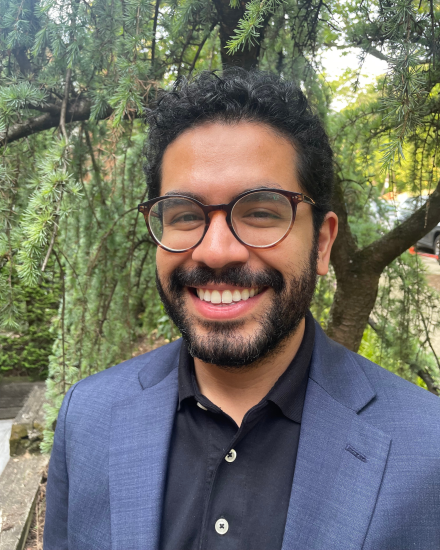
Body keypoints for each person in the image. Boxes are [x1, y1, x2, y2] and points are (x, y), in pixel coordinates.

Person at [44, 69, 440, 550]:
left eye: (259, 212)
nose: (215, 251)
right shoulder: (87, 418)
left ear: (321, 242)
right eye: (185, 213)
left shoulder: (427, 452)